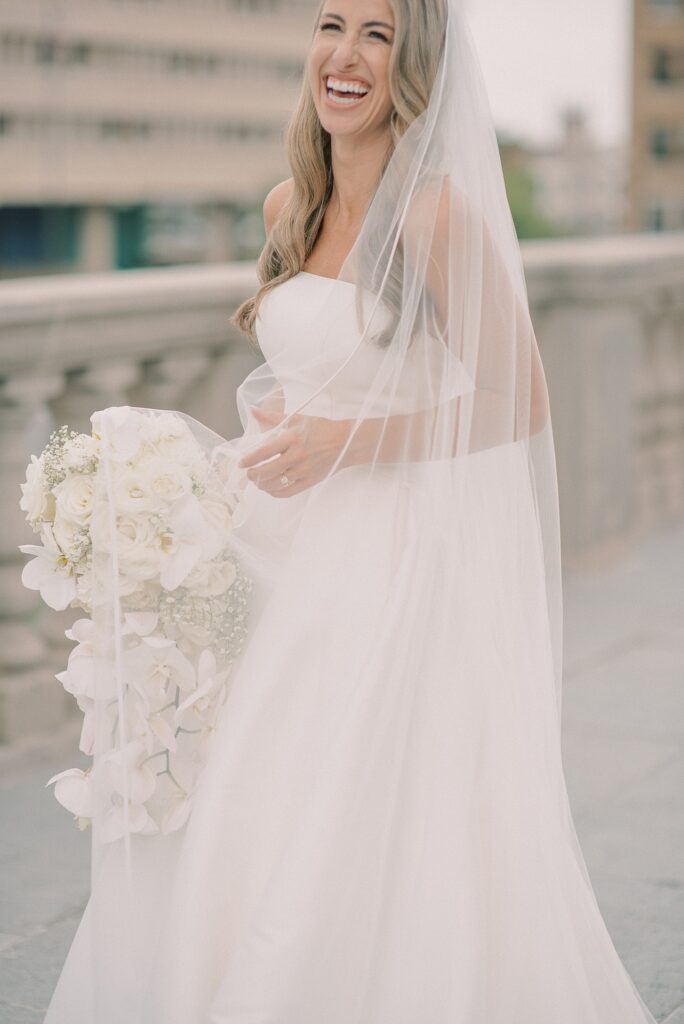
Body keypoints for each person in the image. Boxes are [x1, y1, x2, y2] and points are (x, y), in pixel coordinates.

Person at [43, 1, 659, 1022]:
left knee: (354, 792)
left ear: (411, 65)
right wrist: (241, 457)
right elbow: (317, 375)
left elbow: (521, 398)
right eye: (333, 24)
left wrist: (345, 442)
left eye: (378, 34)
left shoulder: (436, 214)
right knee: (251, 790)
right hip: (284, 547)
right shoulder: (291, 203)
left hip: (392, 558)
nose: (346, 54)